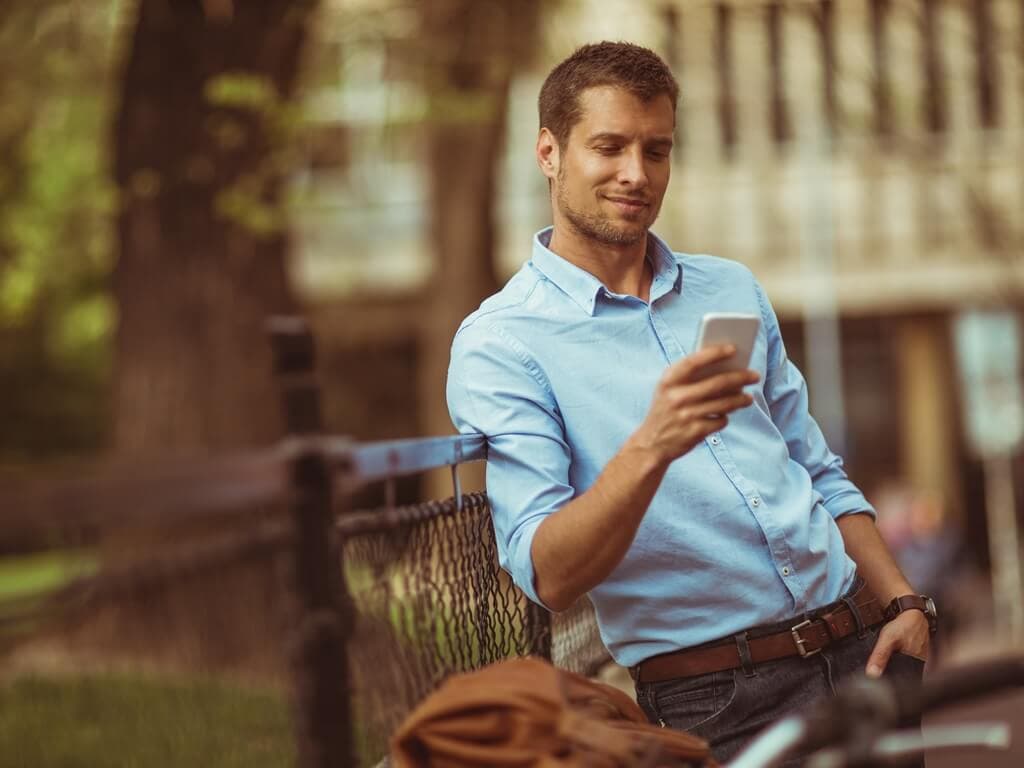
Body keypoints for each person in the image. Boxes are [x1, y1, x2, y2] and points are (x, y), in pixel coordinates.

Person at [446, 41, 933, 763]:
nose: (636, 174)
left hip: (863, 647)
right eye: (608, 147)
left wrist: (903, 601)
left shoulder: (730, 288)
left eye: (658, 149)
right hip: (720, 697)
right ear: (549, 152)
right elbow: (547, 574)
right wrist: (654, 443)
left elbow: (815, 467)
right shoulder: (502, 343)